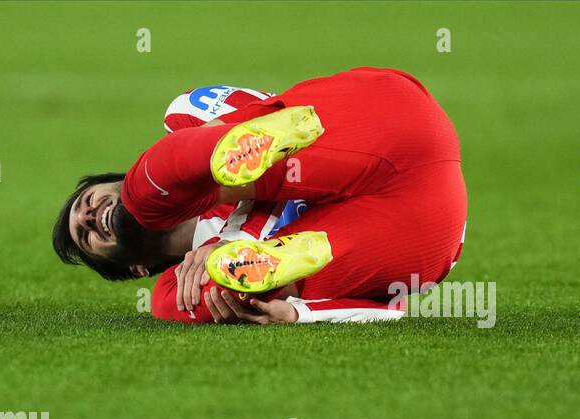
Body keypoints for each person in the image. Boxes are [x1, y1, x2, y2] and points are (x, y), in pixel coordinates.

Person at [52, 68, 467, 325]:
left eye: (87, 201)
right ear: (134, 270)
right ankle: (280, 271)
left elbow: (284, 109)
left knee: (158, 179)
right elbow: (392, 310)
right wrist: (298, 314)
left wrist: (240, 234)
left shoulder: (188, 119)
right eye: (84, 236)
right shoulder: (179, 286)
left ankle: (215, 167)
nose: (87, 217)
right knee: (184, 300)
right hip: (423, 225)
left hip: (374, 126)